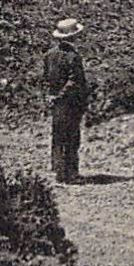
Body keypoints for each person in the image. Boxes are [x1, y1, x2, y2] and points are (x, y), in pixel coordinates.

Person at [44, 18, 90, 184]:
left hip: (56, 102)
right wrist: (62, 95)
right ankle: (70, 173)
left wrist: (51, 96)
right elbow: (74, 81)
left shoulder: (49, 55)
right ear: (73, 37)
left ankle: (59, 171)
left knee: (58, 135)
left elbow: (46, 79)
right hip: (70, 102)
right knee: (71, 136)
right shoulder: (73, 57)